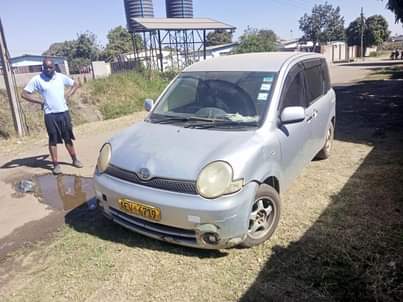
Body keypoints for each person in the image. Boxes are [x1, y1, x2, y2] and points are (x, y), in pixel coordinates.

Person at [21, 58, 82, 175]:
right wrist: (41, 102)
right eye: (46, 67)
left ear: (54, 67)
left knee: (67, 137)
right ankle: (55, 165)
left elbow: (75, 84)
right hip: (50, 114)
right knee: (53, 139)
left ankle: (75, 160)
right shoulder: (37, 79)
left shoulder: (60, 77)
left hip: (63, 112)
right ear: (42, 67)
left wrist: (67, 95)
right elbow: (24, 94)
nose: (49, 70)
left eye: (51, 67)